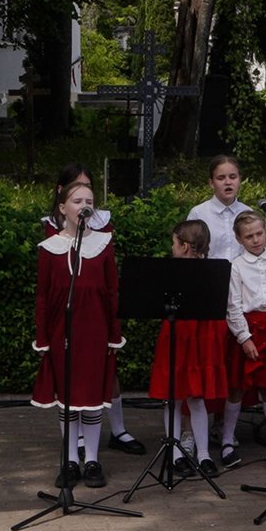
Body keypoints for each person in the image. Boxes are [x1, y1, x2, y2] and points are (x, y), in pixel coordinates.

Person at [33, 181, 123, 489]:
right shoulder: (50, 248)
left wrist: (114, 334)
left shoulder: (103, 244)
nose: (84, 205)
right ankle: (70, 459)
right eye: (77, 200)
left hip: (95, 330)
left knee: (93, 398)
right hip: (63, 331)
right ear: (62, 208)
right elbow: (43, 297)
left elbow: (112, 291)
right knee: (68, 398)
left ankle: (93, 459)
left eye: (89, 201)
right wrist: (43, 338)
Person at [50, 165, 144, 456]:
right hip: (70, 318)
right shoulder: (53, 228)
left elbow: (108, 275)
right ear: (62, 195)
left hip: (97, 317)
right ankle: (76, 441)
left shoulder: (102, 224)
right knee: (70, 378)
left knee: (107, 374)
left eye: (88, 189)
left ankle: (118, 430)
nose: (84, 201)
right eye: (76, 191)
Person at [148, 220, 232, 476]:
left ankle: (203, 454)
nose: (171, 248)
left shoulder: (212, 272)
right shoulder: (169, 272)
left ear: (185, 246)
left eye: (174, 243)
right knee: (173, 395)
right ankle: (175, 454)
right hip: (178, 333)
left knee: (197, 396)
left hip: (199, 335)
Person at [190, 155, 251, 459]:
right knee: (209, 362)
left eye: (233, 176)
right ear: (211, 182)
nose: (228, 182)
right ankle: (194, 430)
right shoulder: (199, 213)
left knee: (233, 364)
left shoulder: (249, 214)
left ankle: (223, 427)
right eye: (221, 177)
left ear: (240, 180)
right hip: (210, 295)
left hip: (241, 296)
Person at [225, 210, 266, 469]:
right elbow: (233, 305)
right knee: (237, 387)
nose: (256, 240)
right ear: (239, 240)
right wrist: (244, 338)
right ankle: (227, 440)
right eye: (249, 236)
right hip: (246, 330)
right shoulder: (236, 266)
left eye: (259, 233)